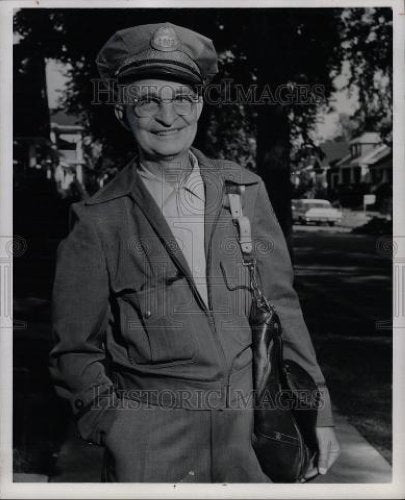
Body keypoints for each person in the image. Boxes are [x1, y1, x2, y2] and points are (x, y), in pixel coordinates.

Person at [50, 22, 340, 483]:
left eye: (181, 98)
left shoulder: (245, 191)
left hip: (251, 435)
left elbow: (283, 309)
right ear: (123, 112)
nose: (168, 116)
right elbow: (74, 350)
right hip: (149, 440)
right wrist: (111, 426)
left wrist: (316, 413)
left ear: (199, 104)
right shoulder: (97, 220)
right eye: (148, 100)